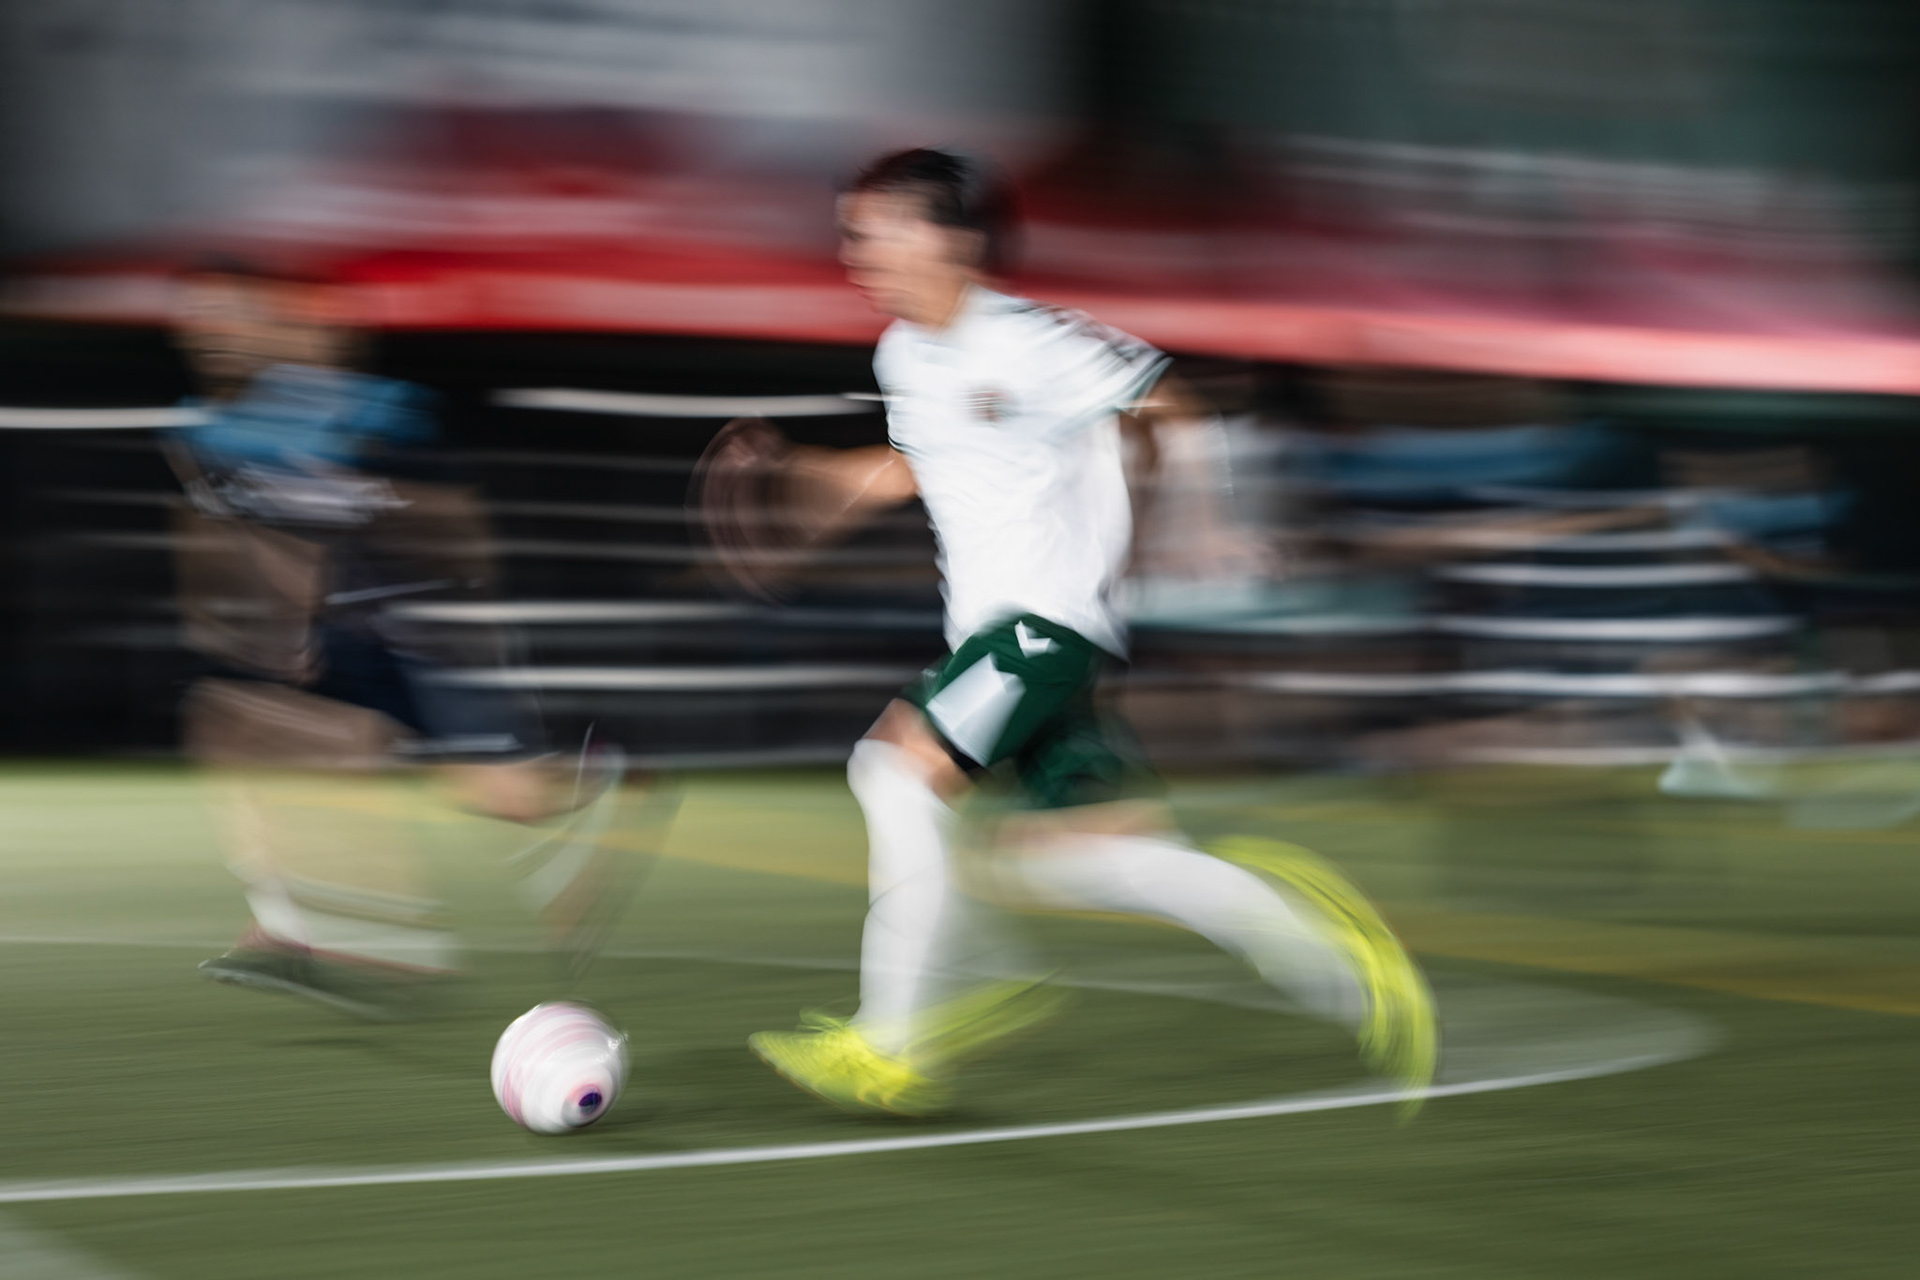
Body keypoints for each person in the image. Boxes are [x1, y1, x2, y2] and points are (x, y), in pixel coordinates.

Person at [714, 149, 1435, 1116]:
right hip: (1011, 639)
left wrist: (1207, 525)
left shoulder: (1028, 339)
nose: (856, 250)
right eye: (851, 229)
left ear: (955, 240)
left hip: (1042, 629)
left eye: (877, 228)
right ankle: (1333, 949)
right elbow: (916, 470)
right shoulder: (904, 354)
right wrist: (804, 481)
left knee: (888, 770)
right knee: (1081, 860)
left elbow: (1172, 405)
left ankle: (897, 1040)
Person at [167, 258, 649, 1017]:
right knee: (227, 717)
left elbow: (456, 528)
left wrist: (456, 626)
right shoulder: (207, 430)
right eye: (196, 317)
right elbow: (255, 541)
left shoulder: (382, 413)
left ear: (270, 320)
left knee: (505, 795)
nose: (208, 332)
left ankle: (599, 777)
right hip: (345, 630)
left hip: (437, 629)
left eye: (226, 313)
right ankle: (301, 931)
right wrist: (273, 632)